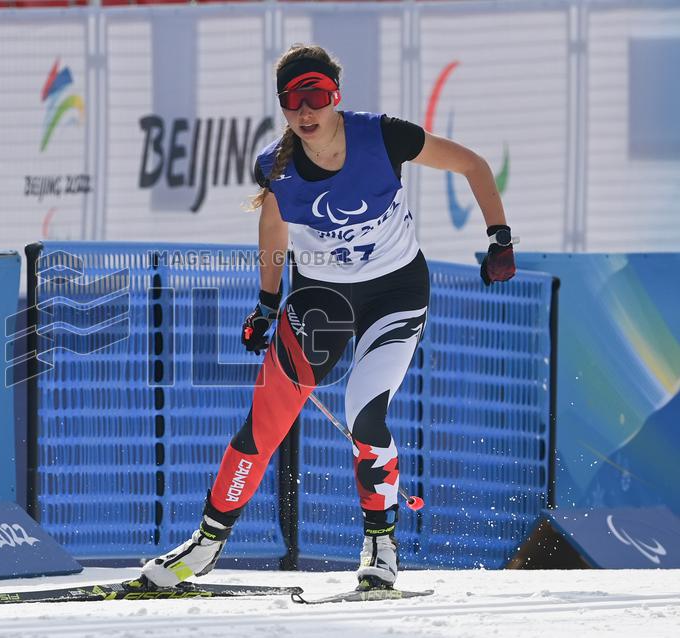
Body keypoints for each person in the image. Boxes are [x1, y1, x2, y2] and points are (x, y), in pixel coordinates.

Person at [140, 44, 516, 591]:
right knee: (265, 422)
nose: (306, 110)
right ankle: (205, 546)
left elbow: (472, 165)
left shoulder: (384, 136)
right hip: (322, 300)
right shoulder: (277, 165)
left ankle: (380, 546)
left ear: (335, 95)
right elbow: (273, 228)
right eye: (293, 101)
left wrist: (499, 236)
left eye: (316, 95)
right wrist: (267, 302)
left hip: (395, 292)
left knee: (364, 414)